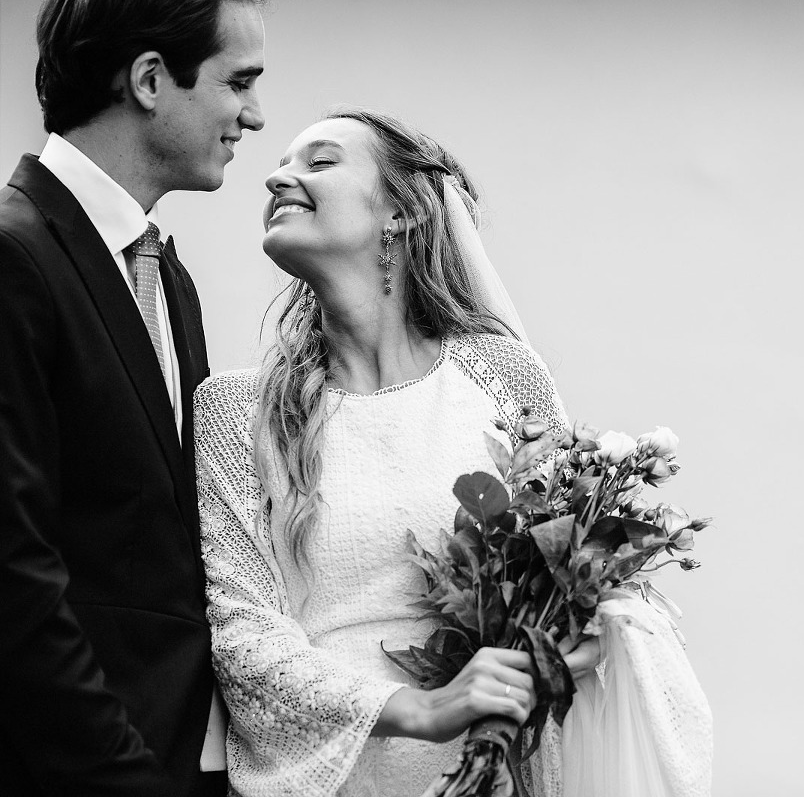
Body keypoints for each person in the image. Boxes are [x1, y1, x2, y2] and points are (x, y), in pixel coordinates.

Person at [196, 109, 712, 797]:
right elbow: (242, 637)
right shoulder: (233, 411)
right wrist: (423, 708)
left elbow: (572, 581)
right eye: (284, 163)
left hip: (493, 773)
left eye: (318, 162)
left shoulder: (502, 377)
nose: (275, 175)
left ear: (402, 212)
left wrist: (569, 644)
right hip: (334, 783)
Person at [0, 0, 266, 794]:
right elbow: (14, 568)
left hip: (185, 755)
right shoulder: (15, 260)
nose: (254, 116)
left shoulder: (165, 277)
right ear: (151, 79)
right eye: (239, 82)